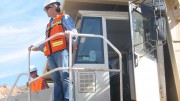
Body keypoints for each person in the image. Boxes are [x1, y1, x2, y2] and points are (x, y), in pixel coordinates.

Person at [28, 0, 77, 101]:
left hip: (62, 52)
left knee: (64, 75)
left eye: (46, 9)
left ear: (54, 7)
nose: (45, 11)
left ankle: (68, 98)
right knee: (56, 79)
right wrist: (34, 48)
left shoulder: (64, 17)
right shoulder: (49, 24)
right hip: (51, 55)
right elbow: (47, 42)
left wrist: (69, 33)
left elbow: (74, 33)